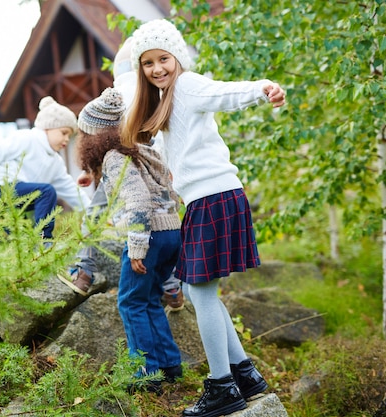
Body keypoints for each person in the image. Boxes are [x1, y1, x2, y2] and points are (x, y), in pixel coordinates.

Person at [124, 18, 286, 417]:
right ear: (140, 70)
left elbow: (224, 93)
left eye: (164, 58)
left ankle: (222, 386)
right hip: (209, 199)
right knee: (202, 293)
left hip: (213, 198)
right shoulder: (165, 100)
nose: (158, 68)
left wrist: (263, 89)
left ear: (177, 57)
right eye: (148, 63)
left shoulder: (189, 85)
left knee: (200, 293)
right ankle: (244, 374)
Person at [62, 38, 186, 313]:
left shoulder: (122, 92)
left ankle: (83, 272)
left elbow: (100, 137)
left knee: (94, 216)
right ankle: (172, 286)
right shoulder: (161, 89)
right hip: (155, 167)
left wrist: (90, 170)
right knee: (167, 221)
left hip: (124, 166)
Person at [75, 87, 184, 393]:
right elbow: (164, 190)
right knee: (149, 299)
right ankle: (169, 365)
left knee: (130, 303)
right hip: (171, 232)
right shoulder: (139, 151)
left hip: (148, 236)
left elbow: (137, 201)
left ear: (95, 135)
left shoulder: (113, 158)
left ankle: (144, 374)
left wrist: (137, 247)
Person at [0, 96, 90, 241]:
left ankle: (32, 250)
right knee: (47, 191)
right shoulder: (26, 138)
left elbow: (71, 191)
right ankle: (44, 240)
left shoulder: (56, 163)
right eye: (63, 133)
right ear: (47, 127)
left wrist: (94, 213)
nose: (67, 139)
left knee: (20, 240)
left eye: (70, 135)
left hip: (18, 201)